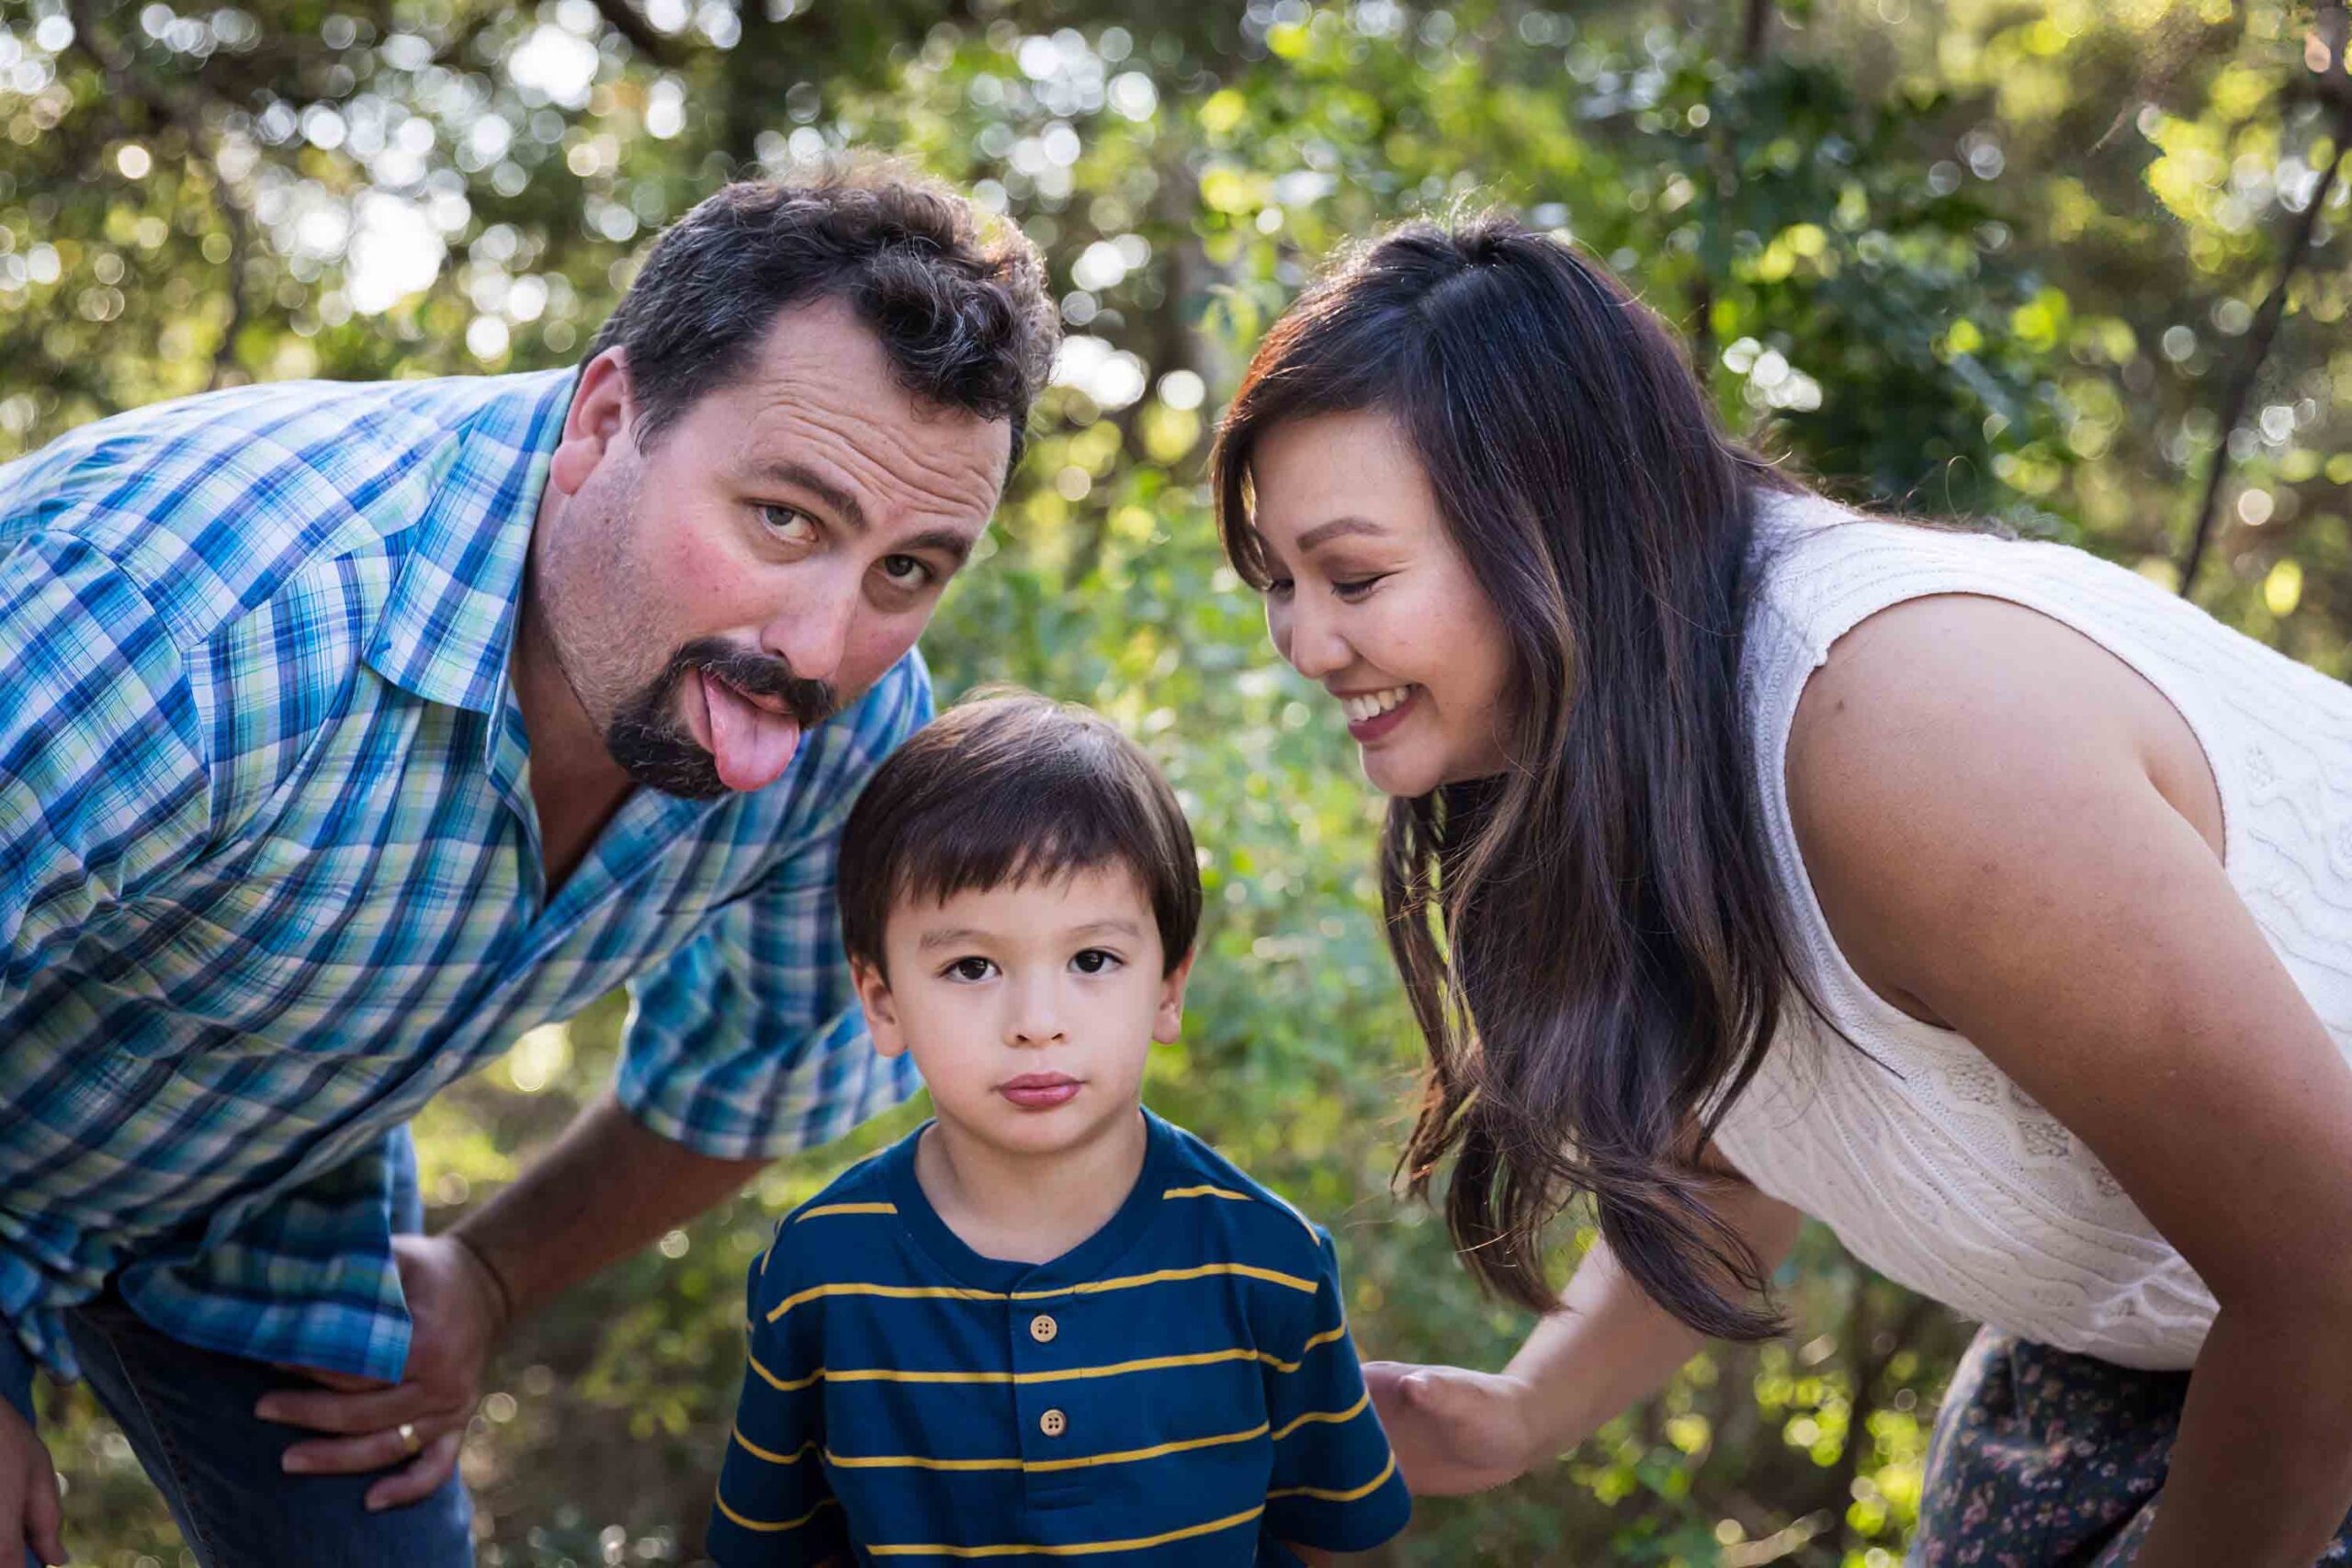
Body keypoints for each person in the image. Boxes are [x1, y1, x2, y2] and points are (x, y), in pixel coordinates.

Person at [1207, 213, 2352, 1565]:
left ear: (1555, 524)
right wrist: (1519, 1413)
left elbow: (2327, 1269)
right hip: (2150, 1349)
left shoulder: (1910, 735)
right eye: (1279, 580)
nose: (1303, 639)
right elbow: (1752, 1135)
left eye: (1353, 575)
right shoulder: (1619, 732)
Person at [0, 161, 1057, 1568]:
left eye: (909, 569)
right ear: (606, 419)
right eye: (784, 518)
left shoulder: (854, 744)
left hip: (256, 1199)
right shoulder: (192, 612)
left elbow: (756, 1066)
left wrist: (492, 1274)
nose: (820, 646)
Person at [706, 693, 1410, 1566]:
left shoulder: (1267, 1259)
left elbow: (1334, 1539)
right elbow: (775, 1548)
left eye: (1091, 960)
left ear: (1168, 987)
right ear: (882, 1002)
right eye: (971, 965)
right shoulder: (818, 1271)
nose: (1037, 1020)